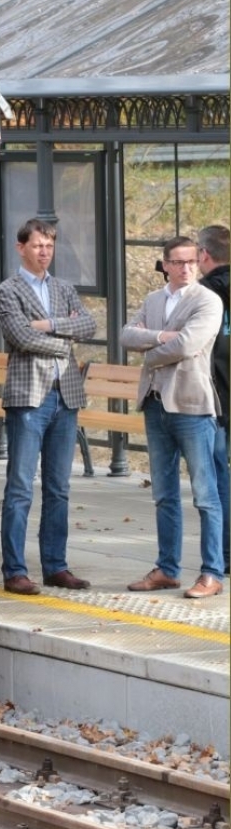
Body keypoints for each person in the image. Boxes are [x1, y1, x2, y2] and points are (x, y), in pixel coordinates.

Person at [0, 218, 97, 595]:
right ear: (21, 247)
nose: (44, 252)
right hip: (28, 399)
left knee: (59, 488)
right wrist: (63, 335)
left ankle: (56, 566)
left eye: (49, 246)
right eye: (38, 245)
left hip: (65, 397)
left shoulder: (63, 288)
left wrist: (46, 324)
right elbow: (20, 336)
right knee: (20, 488)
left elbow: (89, 326)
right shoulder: (7, 290)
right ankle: (14, 571)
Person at [119, 236, 225, 598]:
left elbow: (189, 344)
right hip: (154, 404)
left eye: (192, 261)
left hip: (192, 406)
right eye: (178, 262)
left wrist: (150, 352)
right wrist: (162, 335)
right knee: (164, 494)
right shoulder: (153, 300)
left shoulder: (208, 300)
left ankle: (211, 573)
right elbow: (126, 335)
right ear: (165, 265)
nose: (186, 268)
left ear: (199, 261)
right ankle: (167, 569)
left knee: (205, 495)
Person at [197, 224, 230, 588]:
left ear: (204, 255)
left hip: (217, 400)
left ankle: (224, 554)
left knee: (218, 477)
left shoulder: (203, 295)